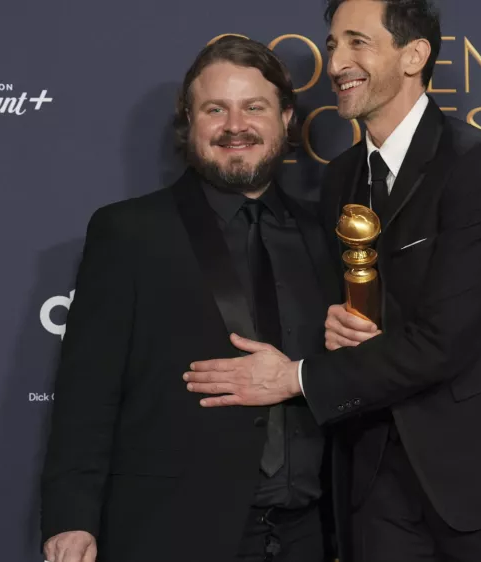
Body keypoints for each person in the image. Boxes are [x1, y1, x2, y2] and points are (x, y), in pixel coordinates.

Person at [185, 1, 481, 561]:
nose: (336, 63)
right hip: (375, 479)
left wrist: (297, 377)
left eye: (356, 43)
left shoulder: (479, 166)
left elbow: (446, 339)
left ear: (415, 54)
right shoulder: (342, 177)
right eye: (332, 46)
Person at [39, 36, 338, 562]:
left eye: (254, 107)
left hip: (306, 535)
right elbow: (87, 390)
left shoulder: (323, 233)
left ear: (286, 119)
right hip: (172, 530)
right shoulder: (129, 232)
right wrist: (71, 520)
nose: (234, 126)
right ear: (189, 121)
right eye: (214, 109)